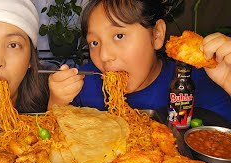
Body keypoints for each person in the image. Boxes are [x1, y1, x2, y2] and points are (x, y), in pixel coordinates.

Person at [48, 0, 231, 122]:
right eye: (94, 42)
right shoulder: (82, 85)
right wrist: (56, 103)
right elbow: (52, 139)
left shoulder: (192, 81)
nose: (104, 56)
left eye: (119, 35)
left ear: (157, 34)